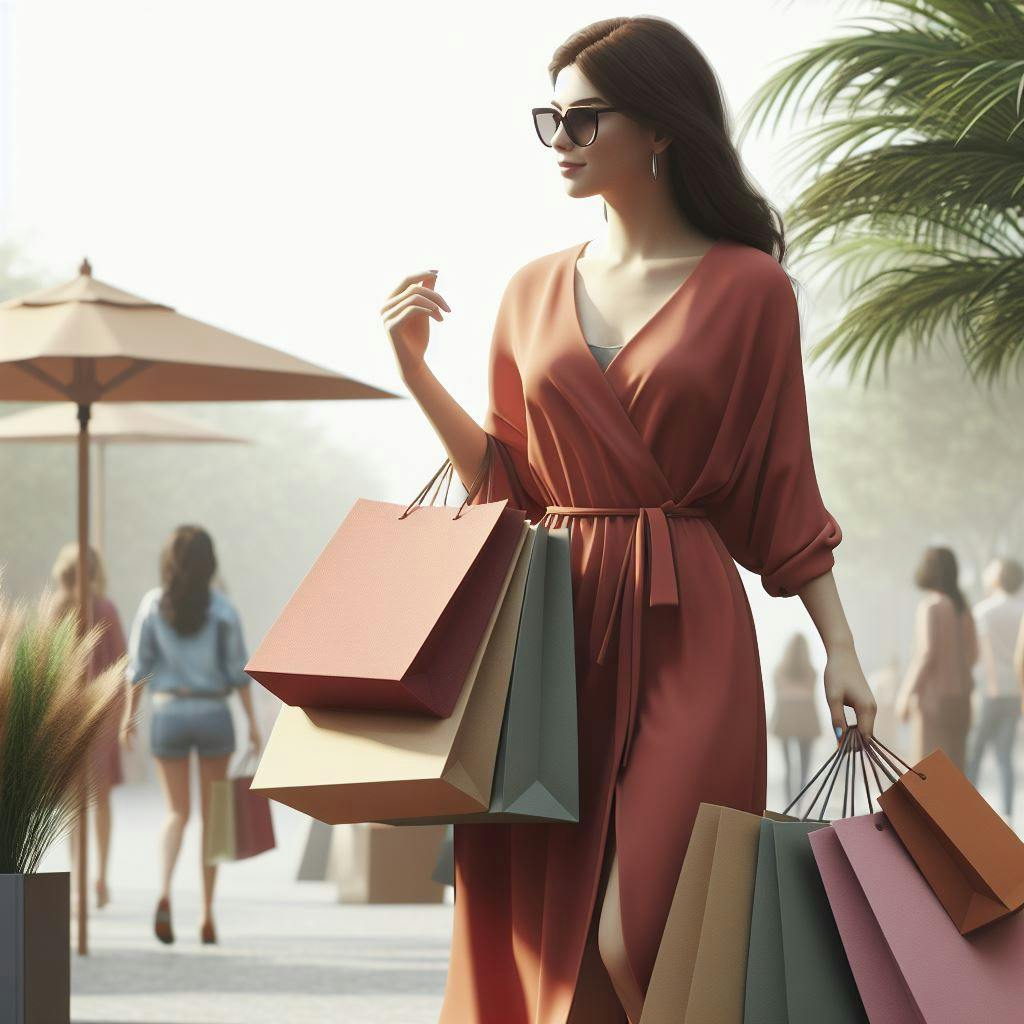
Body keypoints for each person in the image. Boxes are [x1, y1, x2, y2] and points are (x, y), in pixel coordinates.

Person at [378, 17, 875, 1023]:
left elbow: (780, 488)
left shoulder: (751, 290)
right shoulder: (527, 290)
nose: (559, 138)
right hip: (552, 632)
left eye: (582, 117)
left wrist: (840, 649)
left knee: (649, 925)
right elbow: (506, 485)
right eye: (548, 117)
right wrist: (414, 372)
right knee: (556, 949)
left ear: (658, 127)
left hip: (688, 623)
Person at [123, 525, 261, 946]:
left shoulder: (151, 605)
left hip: (168, 713)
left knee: (176, 813)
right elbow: (239, 671)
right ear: (210, 562)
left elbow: (138, 667)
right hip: (213, 712)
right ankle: (206, 913)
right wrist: (253, 725)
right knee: (213, 817)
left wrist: (127, 717)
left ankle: (164, 891)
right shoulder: (222, 608)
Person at [48, 542, 129, 911]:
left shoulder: (56, 608)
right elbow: (122, 663)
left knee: (74, 804)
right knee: (100, 800)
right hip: (102, 718)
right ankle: (101, 878)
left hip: (67, 717)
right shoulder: (105, 607)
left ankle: (78, 879)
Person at [896, 547, 977, 770]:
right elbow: (973, 655)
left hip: (934, 702)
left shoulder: (930, 607)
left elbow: (926, 654)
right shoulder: (965, 610)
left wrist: (905, 694)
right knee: (955, 770)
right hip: (962, 699)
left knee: (929, 771)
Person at [965, 558, 1024, 820]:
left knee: (976, 751)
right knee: (1004, 754)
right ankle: (1009, 813)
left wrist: (990, 686)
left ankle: (968, 808)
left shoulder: (985, 611)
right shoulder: (1021, 609)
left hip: (992, 691)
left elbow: (985, 653)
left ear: (998, 577)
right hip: (1015, 691)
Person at [769, 633, 823, 805]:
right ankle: (799, 806)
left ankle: (789, 805)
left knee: (788, 769)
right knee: (804, 769)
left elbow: (778, 700)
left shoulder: (779, 672)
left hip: (785, 723)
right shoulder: (811, 673)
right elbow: (811, 699)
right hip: (807, 723)